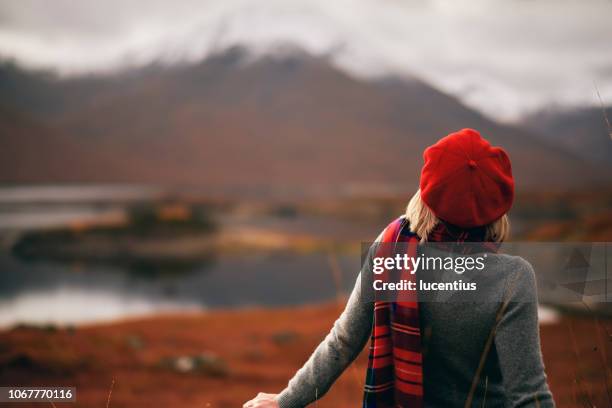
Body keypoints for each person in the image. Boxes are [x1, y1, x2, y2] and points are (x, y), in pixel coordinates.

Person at [243, 129, 555, 408]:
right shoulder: (514, 277)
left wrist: (284, 402)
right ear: (497, 205)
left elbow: (344, 341)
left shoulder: (391, 249)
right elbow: (529, 395)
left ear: (427, 191)